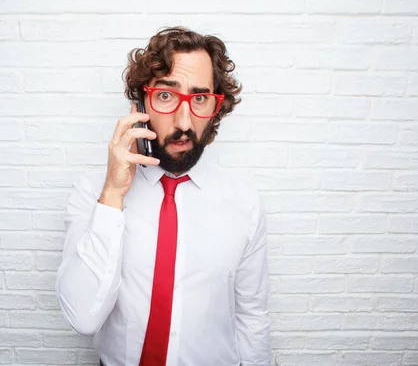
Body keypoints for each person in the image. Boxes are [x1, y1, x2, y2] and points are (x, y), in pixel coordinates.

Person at [56, 27, 270, 366]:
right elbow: (83, 318)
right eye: (167, 96)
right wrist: (113, 195)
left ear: (216, 109)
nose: (184, 121)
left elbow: (252, 316)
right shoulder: (93, 191)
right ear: (140, 103)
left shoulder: (245, 202)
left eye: (199, 99)